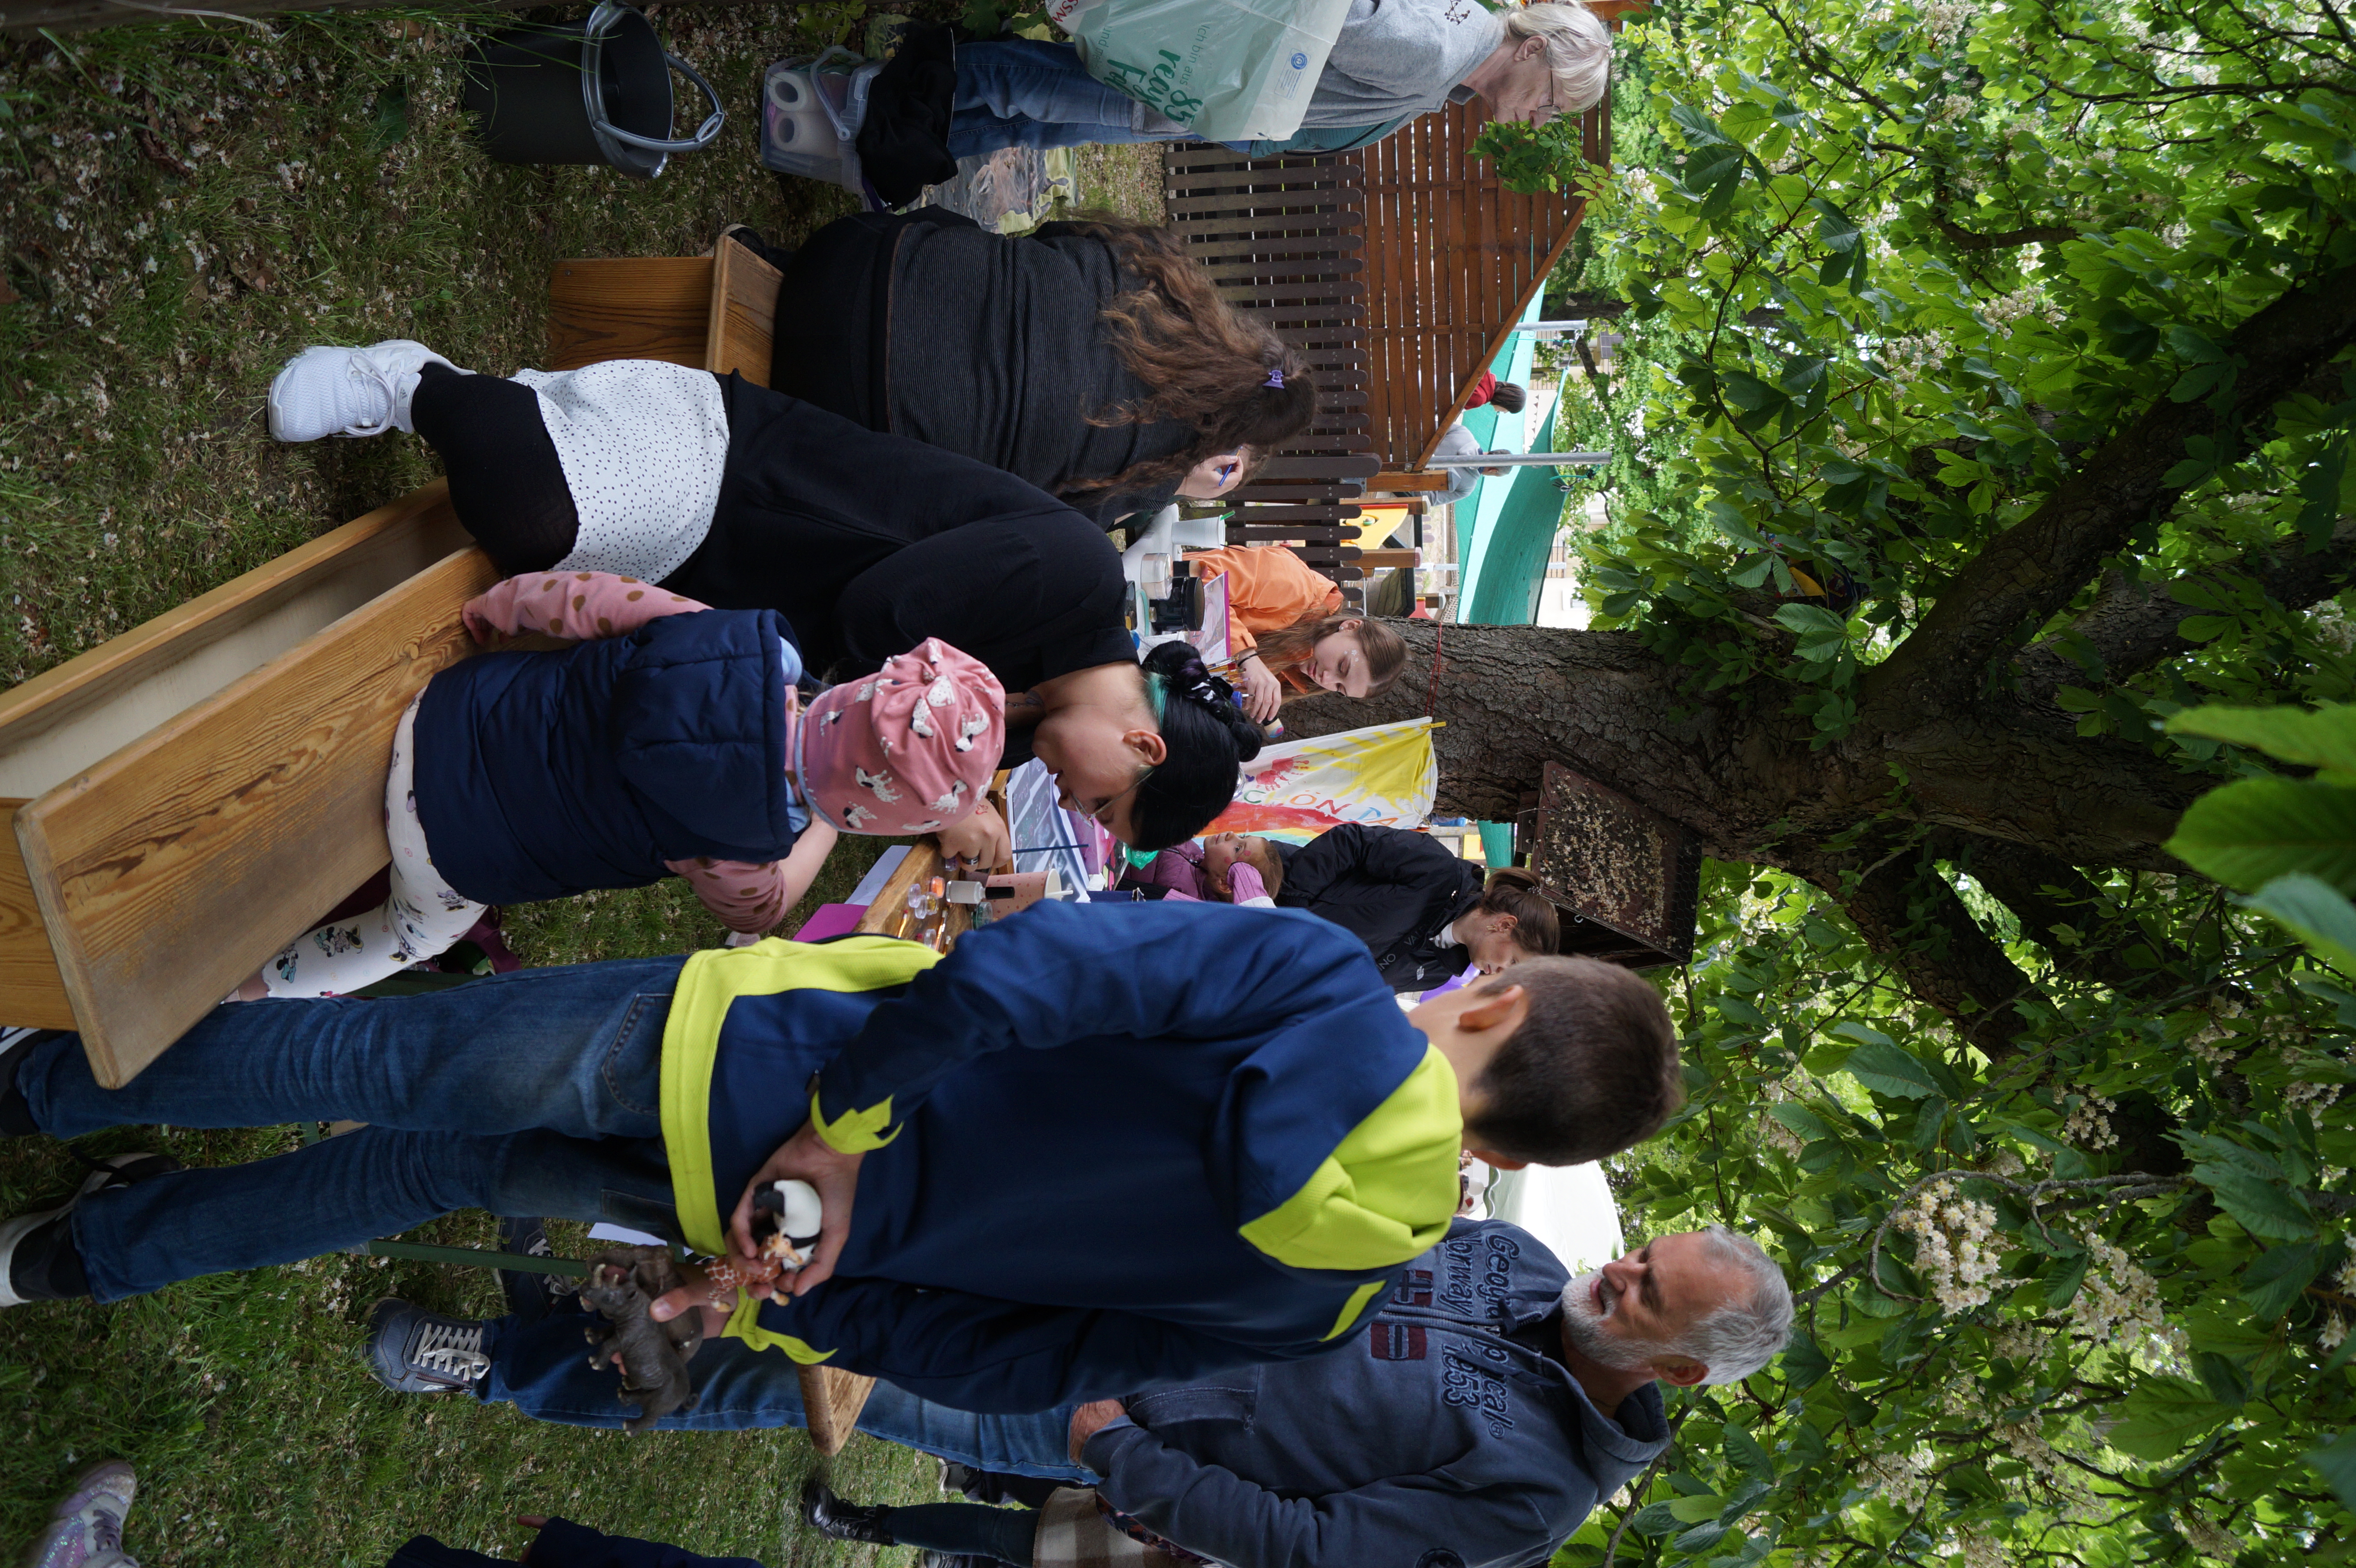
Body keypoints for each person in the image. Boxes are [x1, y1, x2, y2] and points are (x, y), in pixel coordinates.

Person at [0, 904, 1682, 1414]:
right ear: (1510, 1144)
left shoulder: (1319, 979)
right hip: (768, 1227)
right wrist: (808, 1309)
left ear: (1497, 999)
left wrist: (845, 1125)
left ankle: (43, 1087)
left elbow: (1021, 976)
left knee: (388, 1059)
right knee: (431, 1162)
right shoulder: (1319, 1303)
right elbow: (1031, 1371)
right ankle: (75, 1256)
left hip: (748, 1064)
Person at [265, 343, 1264, 850]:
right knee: (530, 522)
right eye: (1102, 803)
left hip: (715, 607)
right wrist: (932, 799)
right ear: (1143, 744)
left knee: (542, 688)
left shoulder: (1005, 729)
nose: (1076, 807)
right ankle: (412, 382)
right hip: (735, 474)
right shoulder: (1077, 575)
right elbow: (876, 614)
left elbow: (847, 744)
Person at [417, 1219, 1791, 1568]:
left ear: (1675, 1368)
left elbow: (1311, 1548)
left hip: (1076, 1405)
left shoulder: (1532, 1500)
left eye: (1644, 1293)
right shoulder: (1517, 1260)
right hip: (1094, 1287)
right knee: (804, 1302)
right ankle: (580, 1329)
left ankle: (503, 1368)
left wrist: (1118, 1452)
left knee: (796, 1380)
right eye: (1638, 1252)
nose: (1614, 1273)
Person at [239, 601, 999, 998]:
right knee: (412, 938)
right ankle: (261, 984)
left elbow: (598, 603)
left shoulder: (739, 642)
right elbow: (760, 911)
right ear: (872, 818)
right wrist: (829, 822)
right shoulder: (742, 840)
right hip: (448, 851)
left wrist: (504, 609)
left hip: (444, 712)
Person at [762, 217, 1317, 528]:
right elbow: (1057, 521)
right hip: (842, 401)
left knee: (976, 247)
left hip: (843, 259)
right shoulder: (1150, 468)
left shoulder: (1153, 271)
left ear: (1251, 335)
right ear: (1236, 440)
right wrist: (1178, 484)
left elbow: (1047, 236)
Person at [937, 2, 1614, 159]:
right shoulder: (1434, 54)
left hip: (1195, 95)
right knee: (1022, 89)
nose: (1539, 121)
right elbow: (1321, 16)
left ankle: (887, 137)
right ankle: (873, 103)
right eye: (1553, 104)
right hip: (1196, 78)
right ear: (1533, 53)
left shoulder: (1457, 55)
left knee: (1032, 122)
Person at [1279, 825, 1561, 991]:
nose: (1501, 973)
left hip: (1270, 963)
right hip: (1261, 892)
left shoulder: (1438, 975)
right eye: (1512, 962)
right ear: (1505, 926)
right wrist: (1293, 904)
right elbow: (1349, 841)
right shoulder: (1437, 869)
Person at [1183, 544, 1408, 721]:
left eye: (1339, 688)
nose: (1326, 680)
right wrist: (1246, 657)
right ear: (1350, 626)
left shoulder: (1294, 673)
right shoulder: (1296, 586)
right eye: (1343, 666)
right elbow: (1197, 573)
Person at [1426, 419, 1512, 508]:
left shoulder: (1463, 432)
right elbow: (1429, 500)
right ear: (1493, 471)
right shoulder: (1467, 488)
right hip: (1410, 484)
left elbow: (1427, 427)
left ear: (1492, 451)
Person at [1464, 372, 1528, 413]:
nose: (1505, 412)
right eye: (1508, 410)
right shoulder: (1479, 399)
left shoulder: (1486, 374)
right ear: (1506, 402)